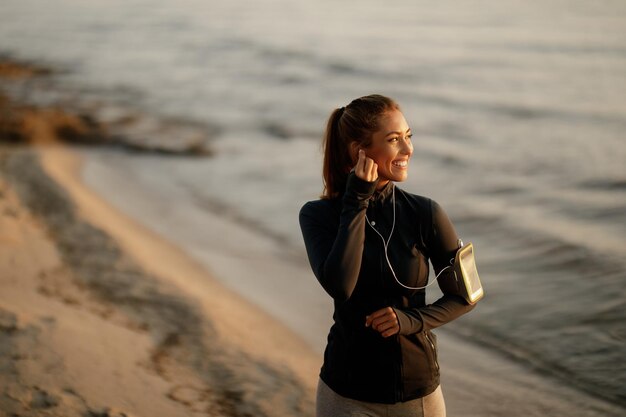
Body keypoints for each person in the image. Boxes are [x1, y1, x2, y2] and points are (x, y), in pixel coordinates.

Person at [299, 94, 476, 417]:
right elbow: (340, 285)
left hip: (417, 395)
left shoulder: (426, 213)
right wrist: (356, 199)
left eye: (408, 137)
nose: (408, 150)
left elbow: (467, 295)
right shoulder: (318, 215)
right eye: (394, 140)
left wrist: (411, 320)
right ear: (359, 151)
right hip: (346, 392)